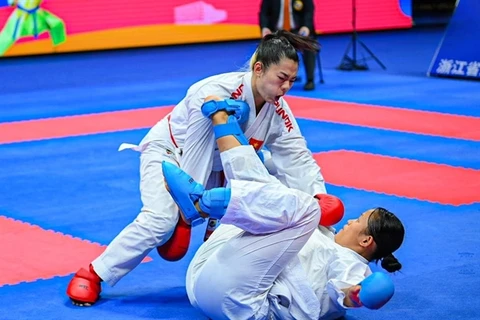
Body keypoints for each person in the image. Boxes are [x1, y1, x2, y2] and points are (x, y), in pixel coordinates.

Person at [66, 30, 326, 306]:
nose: (286, 88)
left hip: (216, 170)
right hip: (169, 153)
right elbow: (196, 148)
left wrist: (318, 195)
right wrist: (190, 211)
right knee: (160, 220)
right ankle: (94, 273)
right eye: (281, 79)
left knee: (268, 187)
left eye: (292, 81)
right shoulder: (214, 91)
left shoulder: (278, 110)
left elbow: (297, 154)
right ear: (259, 69)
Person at [162, 108, 405, 320]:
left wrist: (356, 295)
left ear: (366, 241)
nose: (350, 220)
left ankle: (200, 204)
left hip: (243, 305)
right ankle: (222, 119)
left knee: (306, 209)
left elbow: (342, 291)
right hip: (202, 279)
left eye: (358, 221)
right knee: (270, 197)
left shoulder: (351, 264)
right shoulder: (326, 234)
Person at [259, 0, 317, 91]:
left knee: (308, 46)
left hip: (297, 31)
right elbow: (264, 13)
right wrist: (265, 28)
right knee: (265, 46)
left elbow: (308, 12)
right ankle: (268, 79)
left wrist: (306, 26)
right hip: (277, 31)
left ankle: (310, 80)